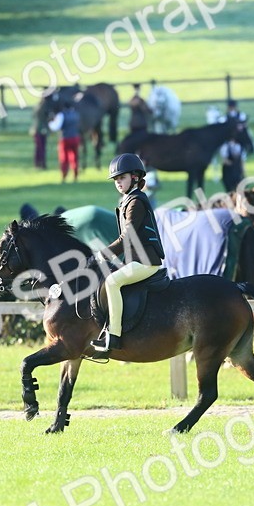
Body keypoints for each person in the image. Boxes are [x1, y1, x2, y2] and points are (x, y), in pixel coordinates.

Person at [92, 154, 165, 357]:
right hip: (135, 259)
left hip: (146, 261)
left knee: (112, 282)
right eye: (115, 180)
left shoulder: (136, 202)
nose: (118, 183)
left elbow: (127, 237)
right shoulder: (128, 200)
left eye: (121, 178)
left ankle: (113, 335)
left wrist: (102, 254)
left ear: (135, 177)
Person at [48, 98, 81, 182]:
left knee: (64, 158)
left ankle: (64, 175)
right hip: (75, 137)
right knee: (75, 157)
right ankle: (75, 174)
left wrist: (50, 123)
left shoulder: (61, 115)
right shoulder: (76, 114)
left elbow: (55, 127)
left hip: (65, 138)